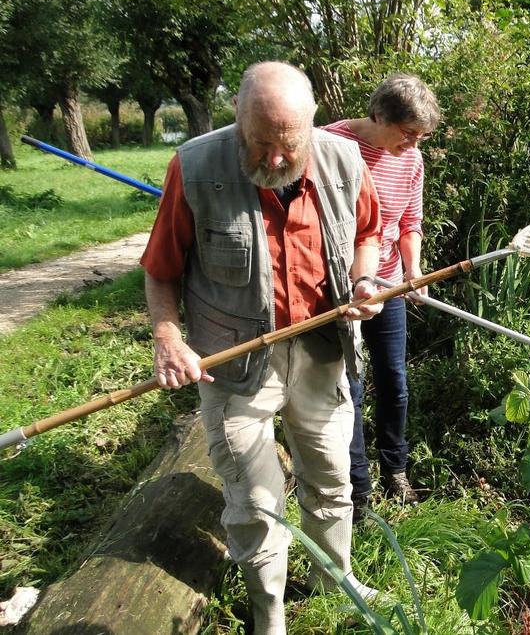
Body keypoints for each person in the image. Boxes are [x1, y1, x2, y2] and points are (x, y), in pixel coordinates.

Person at [140, 61, 383, 635]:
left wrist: (366, 281)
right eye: (259, 142)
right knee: (254, 500)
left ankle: (334, 576)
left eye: (288, 145)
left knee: (331, 478)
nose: (273, 159)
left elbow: (370, 233)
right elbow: (159, 270)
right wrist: (168, 336)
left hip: (323, 352)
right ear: (237, 119)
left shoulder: (344, 160)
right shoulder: (195, 166)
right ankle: (268, 610)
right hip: (235, 363)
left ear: (313, 127)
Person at [323, 74, 440, 516]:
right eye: (407, 134)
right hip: (336, 292)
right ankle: (359, 491)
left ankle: (396, 469)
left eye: (422, 136)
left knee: (394, 381)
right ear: (378, 115)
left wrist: (413, 271)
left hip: (387, 282)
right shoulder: (327, 145)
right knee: (348, 387)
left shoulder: (410, 160)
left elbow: (409, 222)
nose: (413, 145)